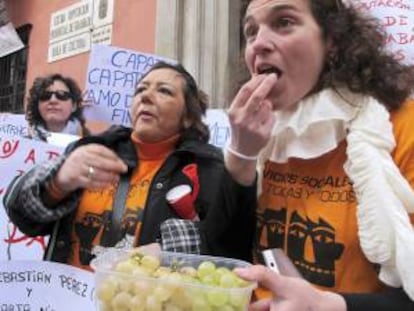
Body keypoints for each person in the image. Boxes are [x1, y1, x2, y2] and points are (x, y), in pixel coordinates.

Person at [225, 0, 414, 310]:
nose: (258, 43)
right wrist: (241, 156)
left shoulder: (403, 126)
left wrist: (331, 305)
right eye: (250, 31)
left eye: (284, 22)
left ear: (333, 42)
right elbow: (224, 255)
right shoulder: (256, 132)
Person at [3, 61, 255, 269]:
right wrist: (57, 181)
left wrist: (166, 249)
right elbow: (19, 211)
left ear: (189, 115)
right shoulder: (90, 150)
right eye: (140, 90)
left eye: (164, 91)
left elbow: (228, 243)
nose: (146, 96)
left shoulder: (210, 167)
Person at [25, 73, 90, 141]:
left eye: (62, 95)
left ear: (74, 106)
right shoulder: (21, 146)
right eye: (45, 95)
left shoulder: (92, 145)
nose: (53, 100)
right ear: (37, 105)